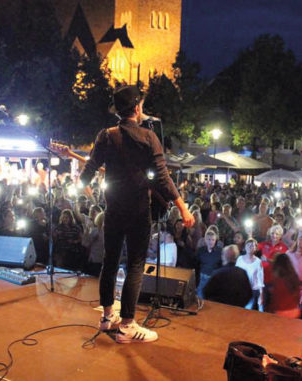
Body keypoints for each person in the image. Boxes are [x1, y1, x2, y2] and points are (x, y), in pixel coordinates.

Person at [79, 85, 194, 344]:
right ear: (137, 108)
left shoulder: (105, 136)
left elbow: (87, 172)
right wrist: (183, 207)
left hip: (113, 210)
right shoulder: (148, 137)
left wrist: (91, 192)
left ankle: (108, 316)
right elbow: (163, 178)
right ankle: (128, 326)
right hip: (139, 211)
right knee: (135, 265)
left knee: (110, 261)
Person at [236, 239, 264, 311]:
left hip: (252, 291)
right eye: (248, 245)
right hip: (240, 290)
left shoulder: (258, 262)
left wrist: (261, 294)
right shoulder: (239, 259)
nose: (250, 247)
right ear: (245, 247)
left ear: (255, 248)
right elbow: (235, 274)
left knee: (247, 311)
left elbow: (260, 279)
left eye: (252, 246)